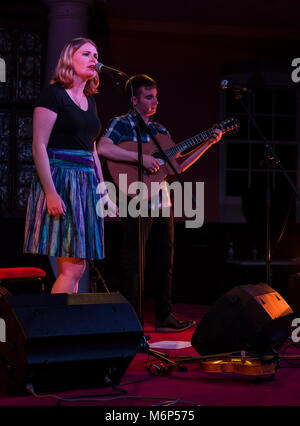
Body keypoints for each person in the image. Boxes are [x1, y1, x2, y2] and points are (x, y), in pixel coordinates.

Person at [97, 74, 223, 331]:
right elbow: (103, 148)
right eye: (149, 97)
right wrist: (141, 160)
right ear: (134, 100)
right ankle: (131, 320)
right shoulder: (121, 124)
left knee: (165, 258)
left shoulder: (160, 131)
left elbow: (177, 166)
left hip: (162, 200)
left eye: (156, 97)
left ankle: (164, 316)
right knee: (134, 260)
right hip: (135, 196)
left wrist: (207, 143)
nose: (155, 102)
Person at [24, 37, 117, 294]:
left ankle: (63, 328)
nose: (94, 59)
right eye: (86, 54)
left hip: (85, 180)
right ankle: (53, 328)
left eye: (96, 55)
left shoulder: (90, 102)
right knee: (72, 268)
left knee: (77, 267)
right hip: (61, 178)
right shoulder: (53, 94)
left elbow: (93, 151)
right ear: (69, 58)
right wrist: (51, 192)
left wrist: (103, 193)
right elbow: (39, 146)